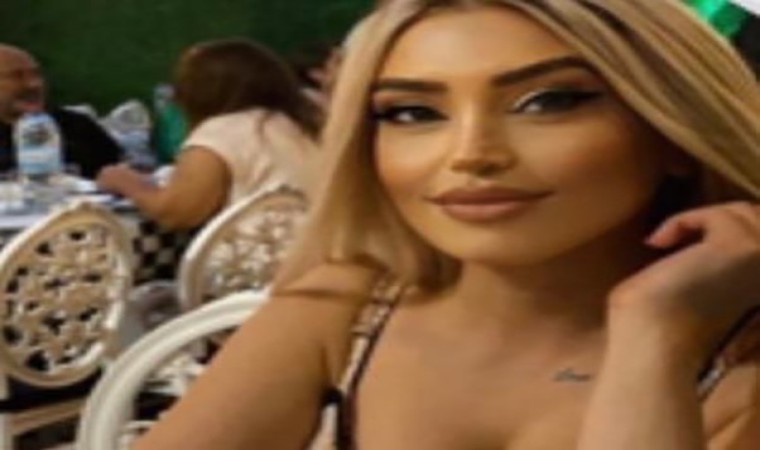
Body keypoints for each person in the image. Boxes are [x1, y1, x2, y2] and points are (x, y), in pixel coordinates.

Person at [133, 0, 760, 448]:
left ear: (674, 130)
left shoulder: (739, 369)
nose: (470, 154)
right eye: (412, 112)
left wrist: (654, 341)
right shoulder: (347, 306)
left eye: (550, 101)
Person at [96, 38, 321, 230]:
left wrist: (126, 183)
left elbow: (177, 213)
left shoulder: (220, 132)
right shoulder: (304, 121)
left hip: (259, 264)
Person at [0, 44, 123, 179]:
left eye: (36, 74)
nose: (34, 84)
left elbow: (122, 173)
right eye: (17, 76)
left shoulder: (76, 126)